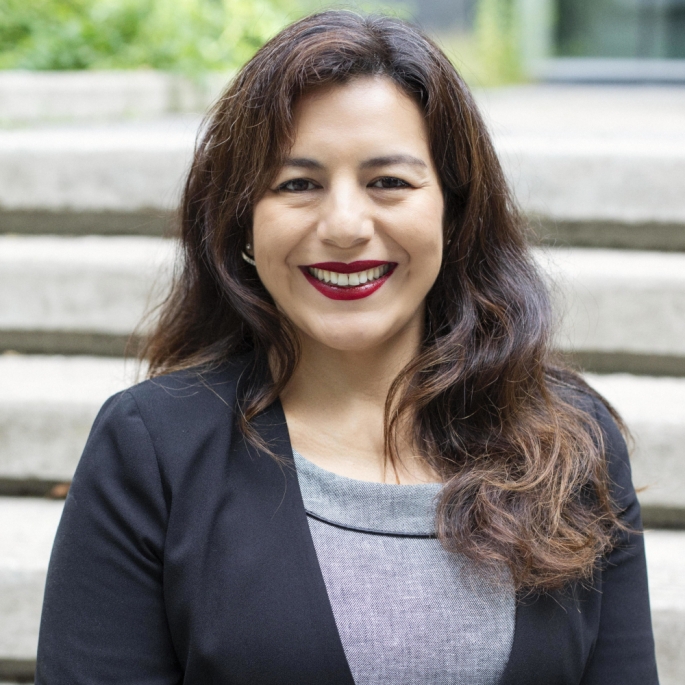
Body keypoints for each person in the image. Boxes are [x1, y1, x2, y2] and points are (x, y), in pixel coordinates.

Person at [36, 10, 659, 685]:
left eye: (388, 182)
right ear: (243, 222)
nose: (344, 226)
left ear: (454, 211)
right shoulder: (152, 449)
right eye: (297, 184)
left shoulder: (568, 443)